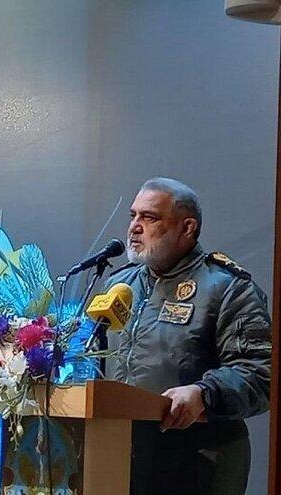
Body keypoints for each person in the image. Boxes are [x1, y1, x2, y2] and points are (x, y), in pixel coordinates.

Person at [106, 177, 271, 495]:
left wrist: (203, 393)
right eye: (133, 216)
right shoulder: (117, 286)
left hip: (197, 460)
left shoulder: (228, 288)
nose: (135, 227)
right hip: (119, 454)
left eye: (149, 217)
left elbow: (261, 373)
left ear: (187, 228)